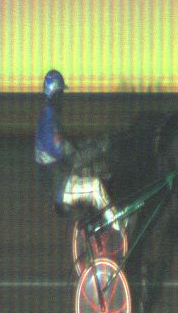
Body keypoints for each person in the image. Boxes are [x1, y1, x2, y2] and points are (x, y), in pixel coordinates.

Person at [35, 70, 117, 228]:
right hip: (59, 187)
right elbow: (74, 157)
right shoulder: (50, 123)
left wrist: (93, 143)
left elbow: (70, 147)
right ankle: (118, 228)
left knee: (100, 171)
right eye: (61, 93)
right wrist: (101, 148)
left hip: (58, 178)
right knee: (96, 187)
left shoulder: (47, 116)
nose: (63, 98)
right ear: (55, 94)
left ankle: (99, 215)